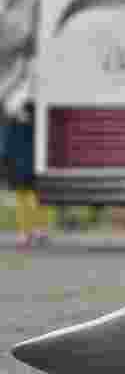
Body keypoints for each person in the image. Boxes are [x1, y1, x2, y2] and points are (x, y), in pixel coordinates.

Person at [2, 55, 49, 249]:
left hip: (28, 148)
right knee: (25, 193)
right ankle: (30, 230)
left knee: (30, 192)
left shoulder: (31, 95)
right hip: (19, 148)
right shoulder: (16, 93)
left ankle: (34, 230)